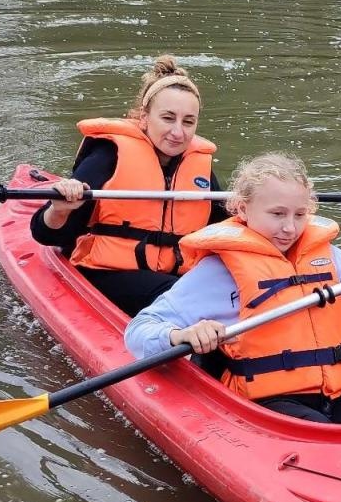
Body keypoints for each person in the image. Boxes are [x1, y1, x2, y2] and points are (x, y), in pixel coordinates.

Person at [124, 153, 341, 424]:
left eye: (300, 215)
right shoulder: (218, 271)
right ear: (243, 208)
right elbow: (139, 331)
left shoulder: (326, 255)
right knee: (326, 441)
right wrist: (182, 335)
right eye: (278, 214)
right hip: (272, 402)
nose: (290, 228)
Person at [31, 55, 226, 316]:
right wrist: (60, 209)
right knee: (181, 293)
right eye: (168, 118)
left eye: (188, 121)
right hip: (105, 271)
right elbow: (45, 235)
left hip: (173, 276)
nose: (178, 132)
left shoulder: (198, 166)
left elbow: (226, 229)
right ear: (144, 117)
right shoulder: (108, 155)